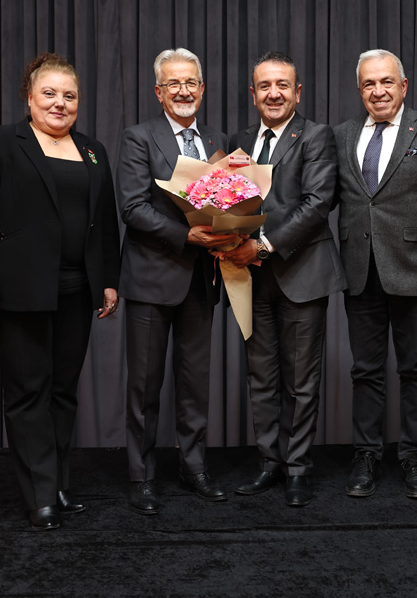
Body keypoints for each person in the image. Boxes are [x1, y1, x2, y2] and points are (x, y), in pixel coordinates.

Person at [0, 52, 121, 530]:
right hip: (18, 291)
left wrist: (108, 280)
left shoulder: (92, 150)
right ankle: (40, 495)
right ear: (28, 98)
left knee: (63, 392)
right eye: (49, 93)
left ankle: (58, 484)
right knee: (29, 392)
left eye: (69, 95)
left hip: (77, 290)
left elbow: (105, 222)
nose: (59, 103)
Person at [212, 52, 346, 507]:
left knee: (301, 381)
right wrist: (225, 237)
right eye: (265, 86)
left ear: (297, 92)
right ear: (253, 94)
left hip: (301, 272)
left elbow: (317, 202)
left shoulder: (317, 136)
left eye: (282, 85)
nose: (274, 94)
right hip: (249, 278)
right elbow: (229, 202)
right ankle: (269, 462)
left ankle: (298, 469)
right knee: (261, 377)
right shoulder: (239, 140)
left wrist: (264, 246)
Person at [116, 48, 238, 515]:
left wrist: (232, 228)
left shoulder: (218, 139)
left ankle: (194, 466)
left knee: (195, 384)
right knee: (144, 387)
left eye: (191, 83)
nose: (183, 91)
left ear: (202, 89)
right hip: (151, 278)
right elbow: (133, 208)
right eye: (173, 84)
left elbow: (229, 201)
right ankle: (141, 475)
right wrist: (187, 235)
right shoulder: (138, 138)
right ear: (158, 91)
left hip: (202, 281)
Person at [334, 49, 417, 499]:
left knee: (415, 368)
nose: (378, 91)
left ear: (404, 86)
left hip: (415, 272)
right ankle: (366, 455)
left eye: (387, 81)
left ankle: (414, 457)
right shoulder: (342, 135)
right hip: (360, 272)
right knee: (365, 370)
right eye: (369, 83)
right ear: (359, 90)